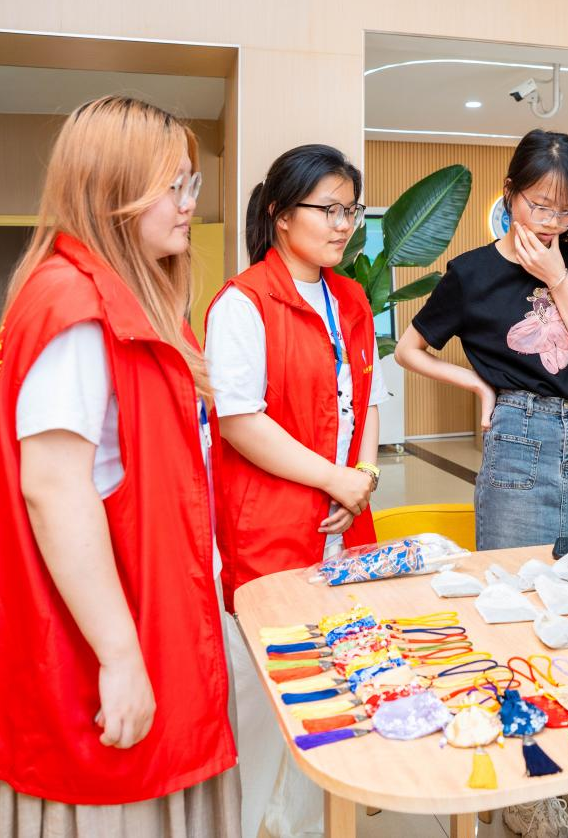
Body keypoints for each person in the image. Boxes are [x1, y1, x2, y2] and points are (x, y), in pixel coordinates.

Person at [0, 95, 238, 837]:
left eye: (191, 185)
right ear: (114, 189)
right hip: (105, 622)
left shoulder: (120, 296)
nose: (189, 205)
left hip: (149, 592)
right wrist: (121, 656)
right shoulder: (74, 305)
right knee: (112, 787)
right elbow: (55, 489)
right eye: (172, 186)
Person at [395, 128, 568, 837]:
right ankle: (524, 778)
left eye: (566, 210)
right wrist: (475, 383)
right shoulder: (469, 272)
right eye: (538, 205)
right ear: (510, 195)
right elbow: (409, 347)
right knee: (513, 605)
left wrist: (558, 277)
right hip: (519, 434)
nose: (551, 223)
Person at [205, 144, 387, 837]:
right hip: (273, 525)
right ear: (281, 214)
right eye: (328, 210)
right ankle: (252, 822)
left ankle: (307, 824)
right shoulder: (243, 302)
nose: (343, 225)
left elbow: (367, 398)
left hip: (346, 518)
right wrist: (336, 477)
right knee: (264, 693)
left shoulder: (351, 297)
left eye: (351, 211)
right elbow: (240, 420)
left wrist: (362, 478)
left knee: (332, 685)